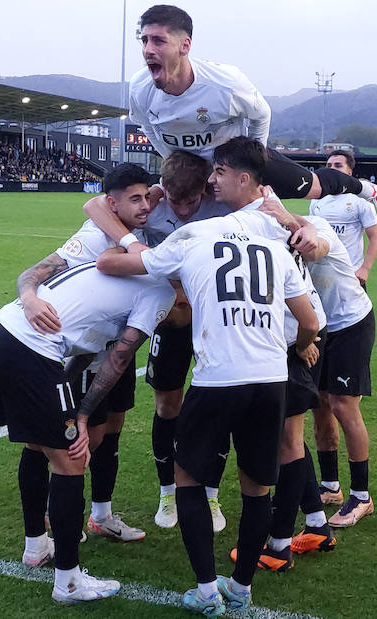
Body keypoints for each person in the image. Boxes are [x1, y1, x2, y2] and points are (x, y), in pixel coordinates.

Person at [96, 137, 321, 615]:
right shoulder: (274, 244)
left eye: (218, 174)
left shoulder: (193, 237)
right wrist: (298, 349)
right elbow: (310, 322)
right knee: (257, 486)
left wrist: (116, 252)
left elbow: (116, 264)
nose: (211, 182)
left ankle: (204, 590)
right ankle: (240, 589)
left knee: (188, 480)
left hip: (218, 379)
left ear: (240, 182)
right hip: (269, 380)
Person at [0, 256, 174, 604]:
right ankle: (68, 583)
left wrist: (65, 405)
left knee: (38, 446)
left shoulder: (119, 270)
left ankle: (36, 547)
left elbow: (89, 347)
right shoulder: (161, 291)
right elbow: (119, 358)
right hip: (31, 347)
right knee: (72, 460)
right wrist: (80, 416)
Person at [81, 151, 237, 531]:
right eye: (175, 200)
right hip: (168, 320)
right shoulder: (152, 201)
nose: (182, 210)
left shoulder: (225, 207)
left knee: (218, 406)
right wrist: (133, 243)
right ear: (162, 188)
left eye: (192, 201)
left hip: (215, 323)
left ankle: (210, 496)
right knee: (168, 405)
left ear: (205, 189)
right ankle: (168, 493)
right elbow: (94, 204)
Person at [127, 4, 377, 218]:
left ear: (185, 45)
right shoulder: (140, 89)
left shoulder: (225, 84)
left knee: (311, 187)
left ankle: (368, 190)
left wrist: (253, 163)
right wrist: (174, 161)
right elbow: (147, 127)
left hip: (236, 162)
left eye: (158, 41)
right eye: (144, 41)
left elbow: (262, 115)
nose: (148, 50)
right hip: (187, 168)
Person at [15, 163, 155, 543]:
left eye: (147, 197)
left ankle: (101, 515)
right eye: (135, 199)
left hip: (118, 347)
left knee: (111, 430)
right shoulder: (94, 238)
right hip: (75, 353)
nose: (145, 206)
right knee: (74, 440)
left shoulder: (140, 228)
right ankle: (54, 511)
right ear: (114, 204)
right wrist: (28, 299)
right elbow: (36, 272)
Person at [309, 150, 377, 286]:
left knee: (359, 308)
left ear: (349, 172)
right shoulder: (317, 199)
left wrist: (365, 269)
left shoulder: (361, 200)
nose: (332, 169)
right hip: (321, 274)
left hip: (349, 274)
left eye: (338, 165)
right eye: (329, 166)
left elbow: (375, 238)